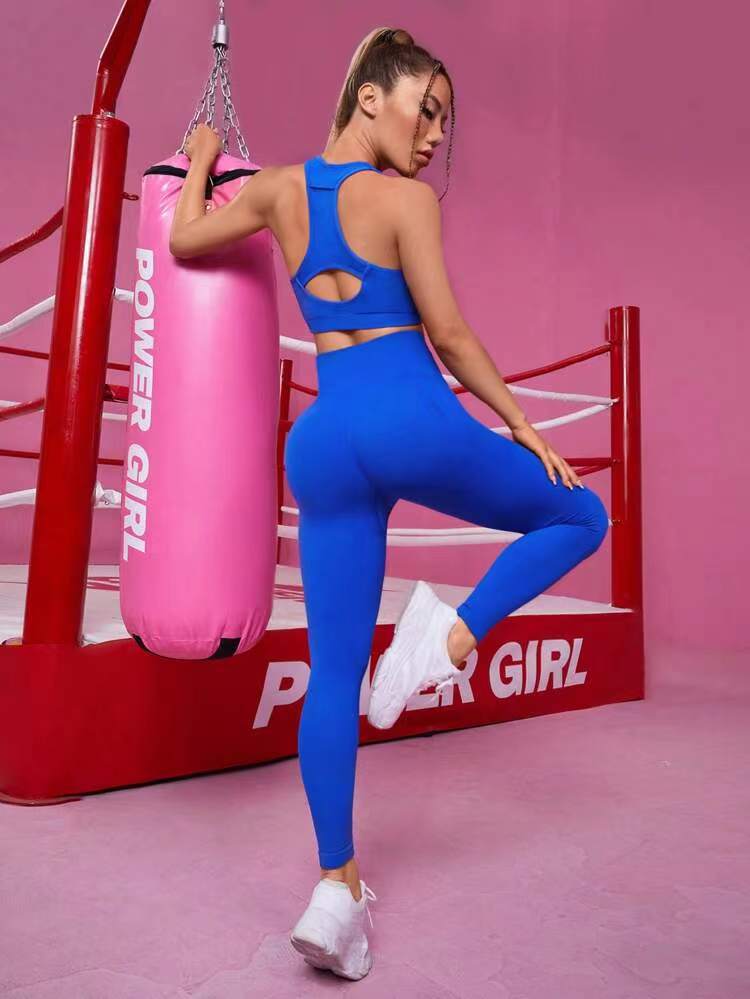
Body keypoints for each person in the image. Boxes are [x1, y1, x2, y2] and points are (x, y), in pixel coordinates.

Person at [171, 25, 609, 982]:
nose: (435, 135)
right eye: (427, 108)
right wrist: (521, 424)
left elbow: (184, 236)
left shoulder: (277, 189)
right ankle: (448, 638)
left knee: (334, 676)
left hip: (326, 442)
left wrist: (202, 159)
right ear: (371, 96)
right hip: (409, 415)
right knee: (582, 515)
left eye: (443, 121)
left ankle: (335, 889)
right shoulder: (405, 201)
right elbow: (446, 332)